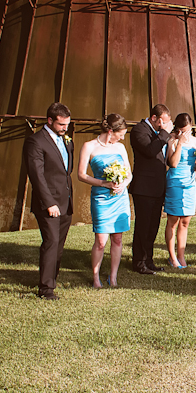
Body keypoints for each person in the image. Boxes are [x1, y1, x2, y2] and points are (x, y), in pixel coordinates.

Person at [23, 102, 74, 300]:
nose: (65, 129)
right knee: (51, 242)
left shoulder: (67, 140)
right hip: (49, 203)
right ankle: (46, 289)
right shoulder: (35, 142)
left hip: (66, 200)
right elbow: (37, 176)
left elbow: (65, 172)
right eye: (61, 125)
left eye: (67, 125)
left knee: (59, 244)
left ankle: (52, 277)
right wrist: (49, 203)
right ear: (50, 120)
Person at [76, 113, 133, 288]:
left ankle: (113, 277)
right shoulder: (89, 146)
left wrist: (123, 184)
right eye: (120, 134)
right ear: (110, 131)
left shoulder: (120, 148)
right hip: (101, 198)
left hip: (119, 197)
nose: (123, 137)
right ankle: (95, 278)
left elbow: (129, 173)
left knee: (117, 238)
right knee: (101, 241)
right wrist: (104, 183)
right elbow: (81, 175)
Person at [129, 104, 173, 275]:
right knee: (143, 225)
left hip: (157, 187)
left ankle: (148, 259)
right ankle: (138, 262)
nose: (164, 126)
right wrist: (165, 134)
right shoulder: (139, 130)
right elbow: (149, 151)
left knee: (153, 226)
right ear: (154, 118)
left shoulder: (157, 133)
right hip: (144, 187)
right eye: (163, 122)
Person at [164, 113, 196, 269]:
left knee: (185, 221)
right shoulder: (172, 140)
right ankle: (172, 256)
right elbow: (173, 163)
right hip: (175, 183)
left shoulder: (195, 141)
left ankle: (181, 256)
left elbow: (193, 164)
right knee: (173, 221)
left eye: (188, 130)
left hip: (189, 183)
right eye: (182, 130)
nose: (185, 133)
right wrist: (179, 143)